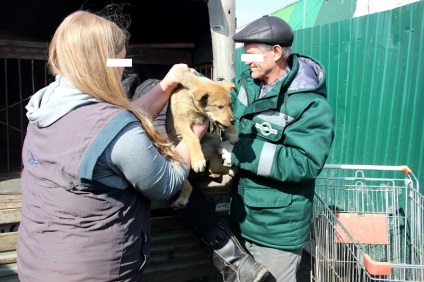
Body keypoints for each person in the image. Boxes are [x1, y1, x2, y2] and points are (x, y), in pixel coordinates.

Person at [17, 10, 210, 281]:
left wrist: (166, 85)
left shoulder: (45, 104)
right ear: (99, 63)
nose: (124, 69)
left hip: (37, 263)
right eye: (120, 60)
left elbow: (116, 123)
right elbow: (167, 184)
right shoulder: (117, 130)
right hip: (94, 273)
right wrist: (193, 134)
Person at [218, 16, 335, 282]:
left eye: (251, 55)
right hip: (242, 216)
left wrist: (239, 152)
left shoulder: (309, 104)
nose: (247, 62)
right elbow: (221, 103)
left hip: (277, 231)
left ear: (277, 52)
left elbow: (304, 162)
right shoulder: (247, 86)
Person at [126, 77, 270, 282]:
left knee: (181, 176)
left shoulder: (165, 85)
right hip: (164, 143)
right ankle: (233, 259)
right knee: (174, 179)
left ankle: (233, 258)